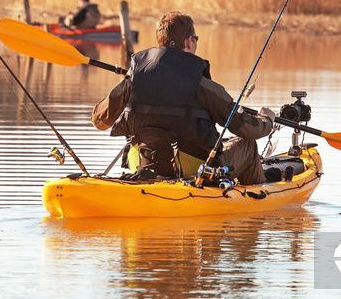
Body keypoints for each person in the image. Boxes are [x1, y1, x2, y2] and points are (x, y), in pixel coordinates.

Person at [91, 11, 276, 185]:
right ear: (188, 42)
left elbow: (99, 121)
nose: (195, 43)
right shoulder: (203, 85)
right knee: (247, 144)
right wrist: (266, 120)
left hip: (142, 165)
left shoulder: (134, 79)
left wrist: (131, 80)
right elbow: (247, 129)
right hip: (194, 171)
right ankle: (258, 200)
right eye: (195, 39)